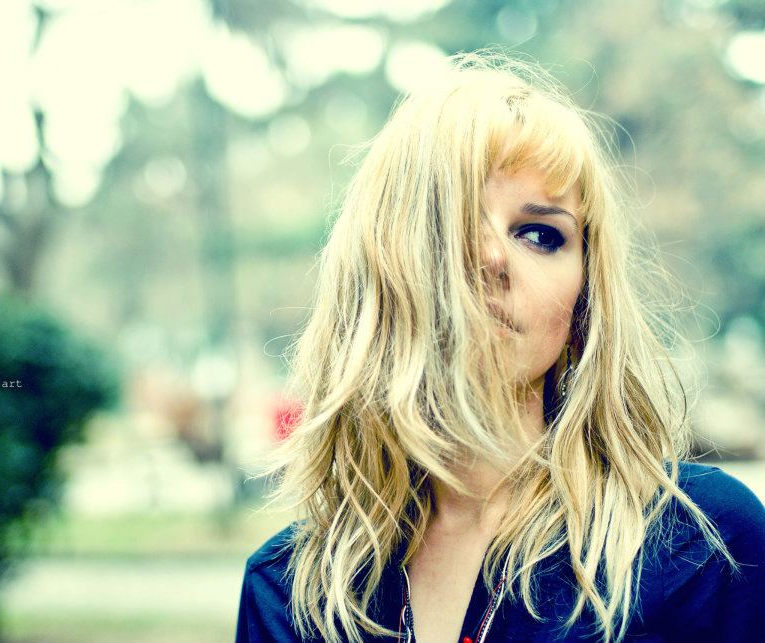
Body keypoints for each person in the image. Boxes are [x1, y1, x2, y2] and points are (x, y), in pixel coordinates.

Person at [235, 51, 765, 643]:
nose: (491, 257)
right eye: (452, 223)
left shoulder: (702, 547)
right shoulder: (288, 592)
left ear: (585, 296)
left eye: (539, 234)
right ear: (379, 264)